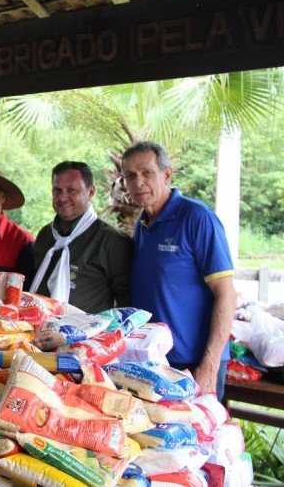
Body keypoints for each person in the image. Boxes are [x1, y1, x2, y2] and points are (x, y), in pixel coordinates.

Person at [122, 141, 236, 399]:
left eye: (147, 172)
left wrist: (209, 363)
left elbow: (227, 295)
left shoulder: (197, 218)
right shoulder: (143, 225)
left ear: (167, 174)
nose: (138, 182)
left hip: (194, 363)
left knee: (200, 437)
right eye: (130, 176)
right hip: (153, 361)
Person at [29, 161, 132, 312]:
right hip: (36, 329)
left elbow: (127, 303)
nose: (62, 198)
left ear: (90, 192)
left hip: (86, 333)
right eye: (57, 190)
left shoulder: (112, 241)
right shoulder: (46, 235)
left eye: (71, 190)